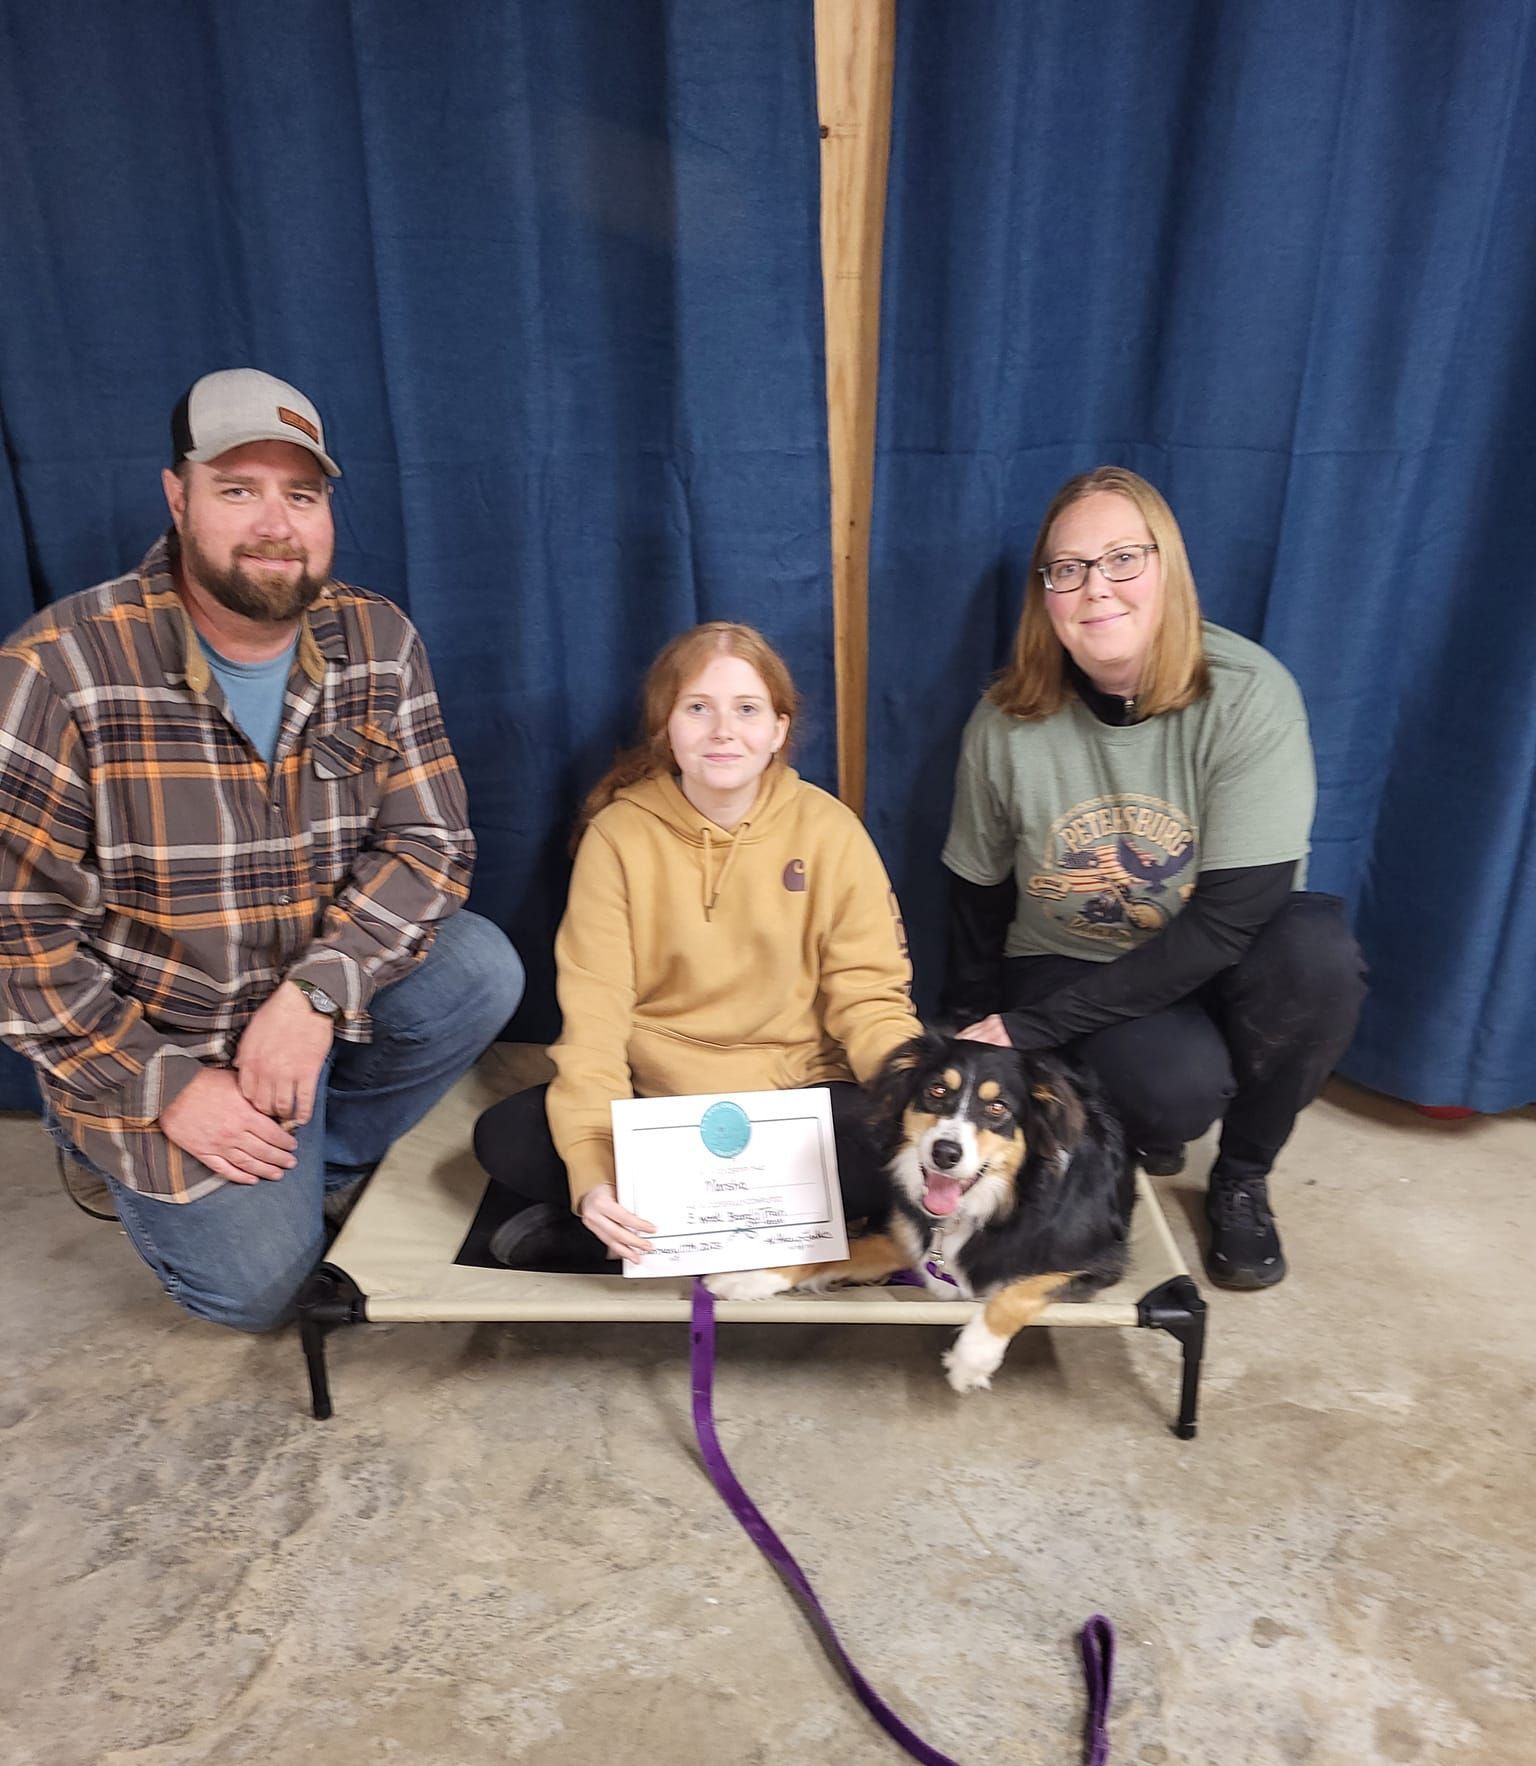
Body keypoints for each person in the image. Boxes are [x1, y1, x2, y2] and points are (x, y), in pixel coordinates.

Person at [0, 368, 524, 1330]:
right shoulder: (57, 671)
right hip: (169, 1035)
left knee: (481, 969)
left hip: (306, 1002)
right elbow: (16, 941)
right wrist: (162, 1088)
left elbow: (431, 841)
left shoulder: (377, 637)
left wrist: (318, 991)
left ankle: (307, 1147)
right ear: (177, 496)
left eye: (302, 494)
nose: (275, 524)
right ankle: (123, 1151)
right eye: (238, 489)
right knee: (261, 1296)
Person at [943, 467, 1365, 1289]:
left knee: (1318, 961)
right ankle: (1149, 1111)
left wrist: (1036, 1030)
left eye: (1122, 560)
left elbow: (1231, 919)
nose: (1095, 588)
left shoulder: (1249, 696)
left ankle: (1242, 1175)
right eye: (1067, 569)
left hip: (1216, 946)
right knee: (1172, 1092)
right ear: (1046, 596)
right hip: (1072, 950)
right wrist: (975, 1031)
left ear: (1167, 570)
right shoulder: (1006, 719)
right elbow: (975, 894)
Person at [472, 622, 915, 1266]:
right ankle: (699, 1220)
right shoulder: (618, 837)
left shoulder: (831, 831)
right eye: (698, 708)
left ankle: (661, 1226)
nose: (723, 730)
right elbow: (594, 1026)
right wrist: (593, 1166)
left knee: (897, 1143)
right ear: (667, 728)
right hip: (662, 1112)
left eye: (747, 709)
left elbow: (870, 1002)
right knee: (507, 1139)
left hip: (794, 1102)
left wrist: (919, 1097)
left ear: (778, 732)